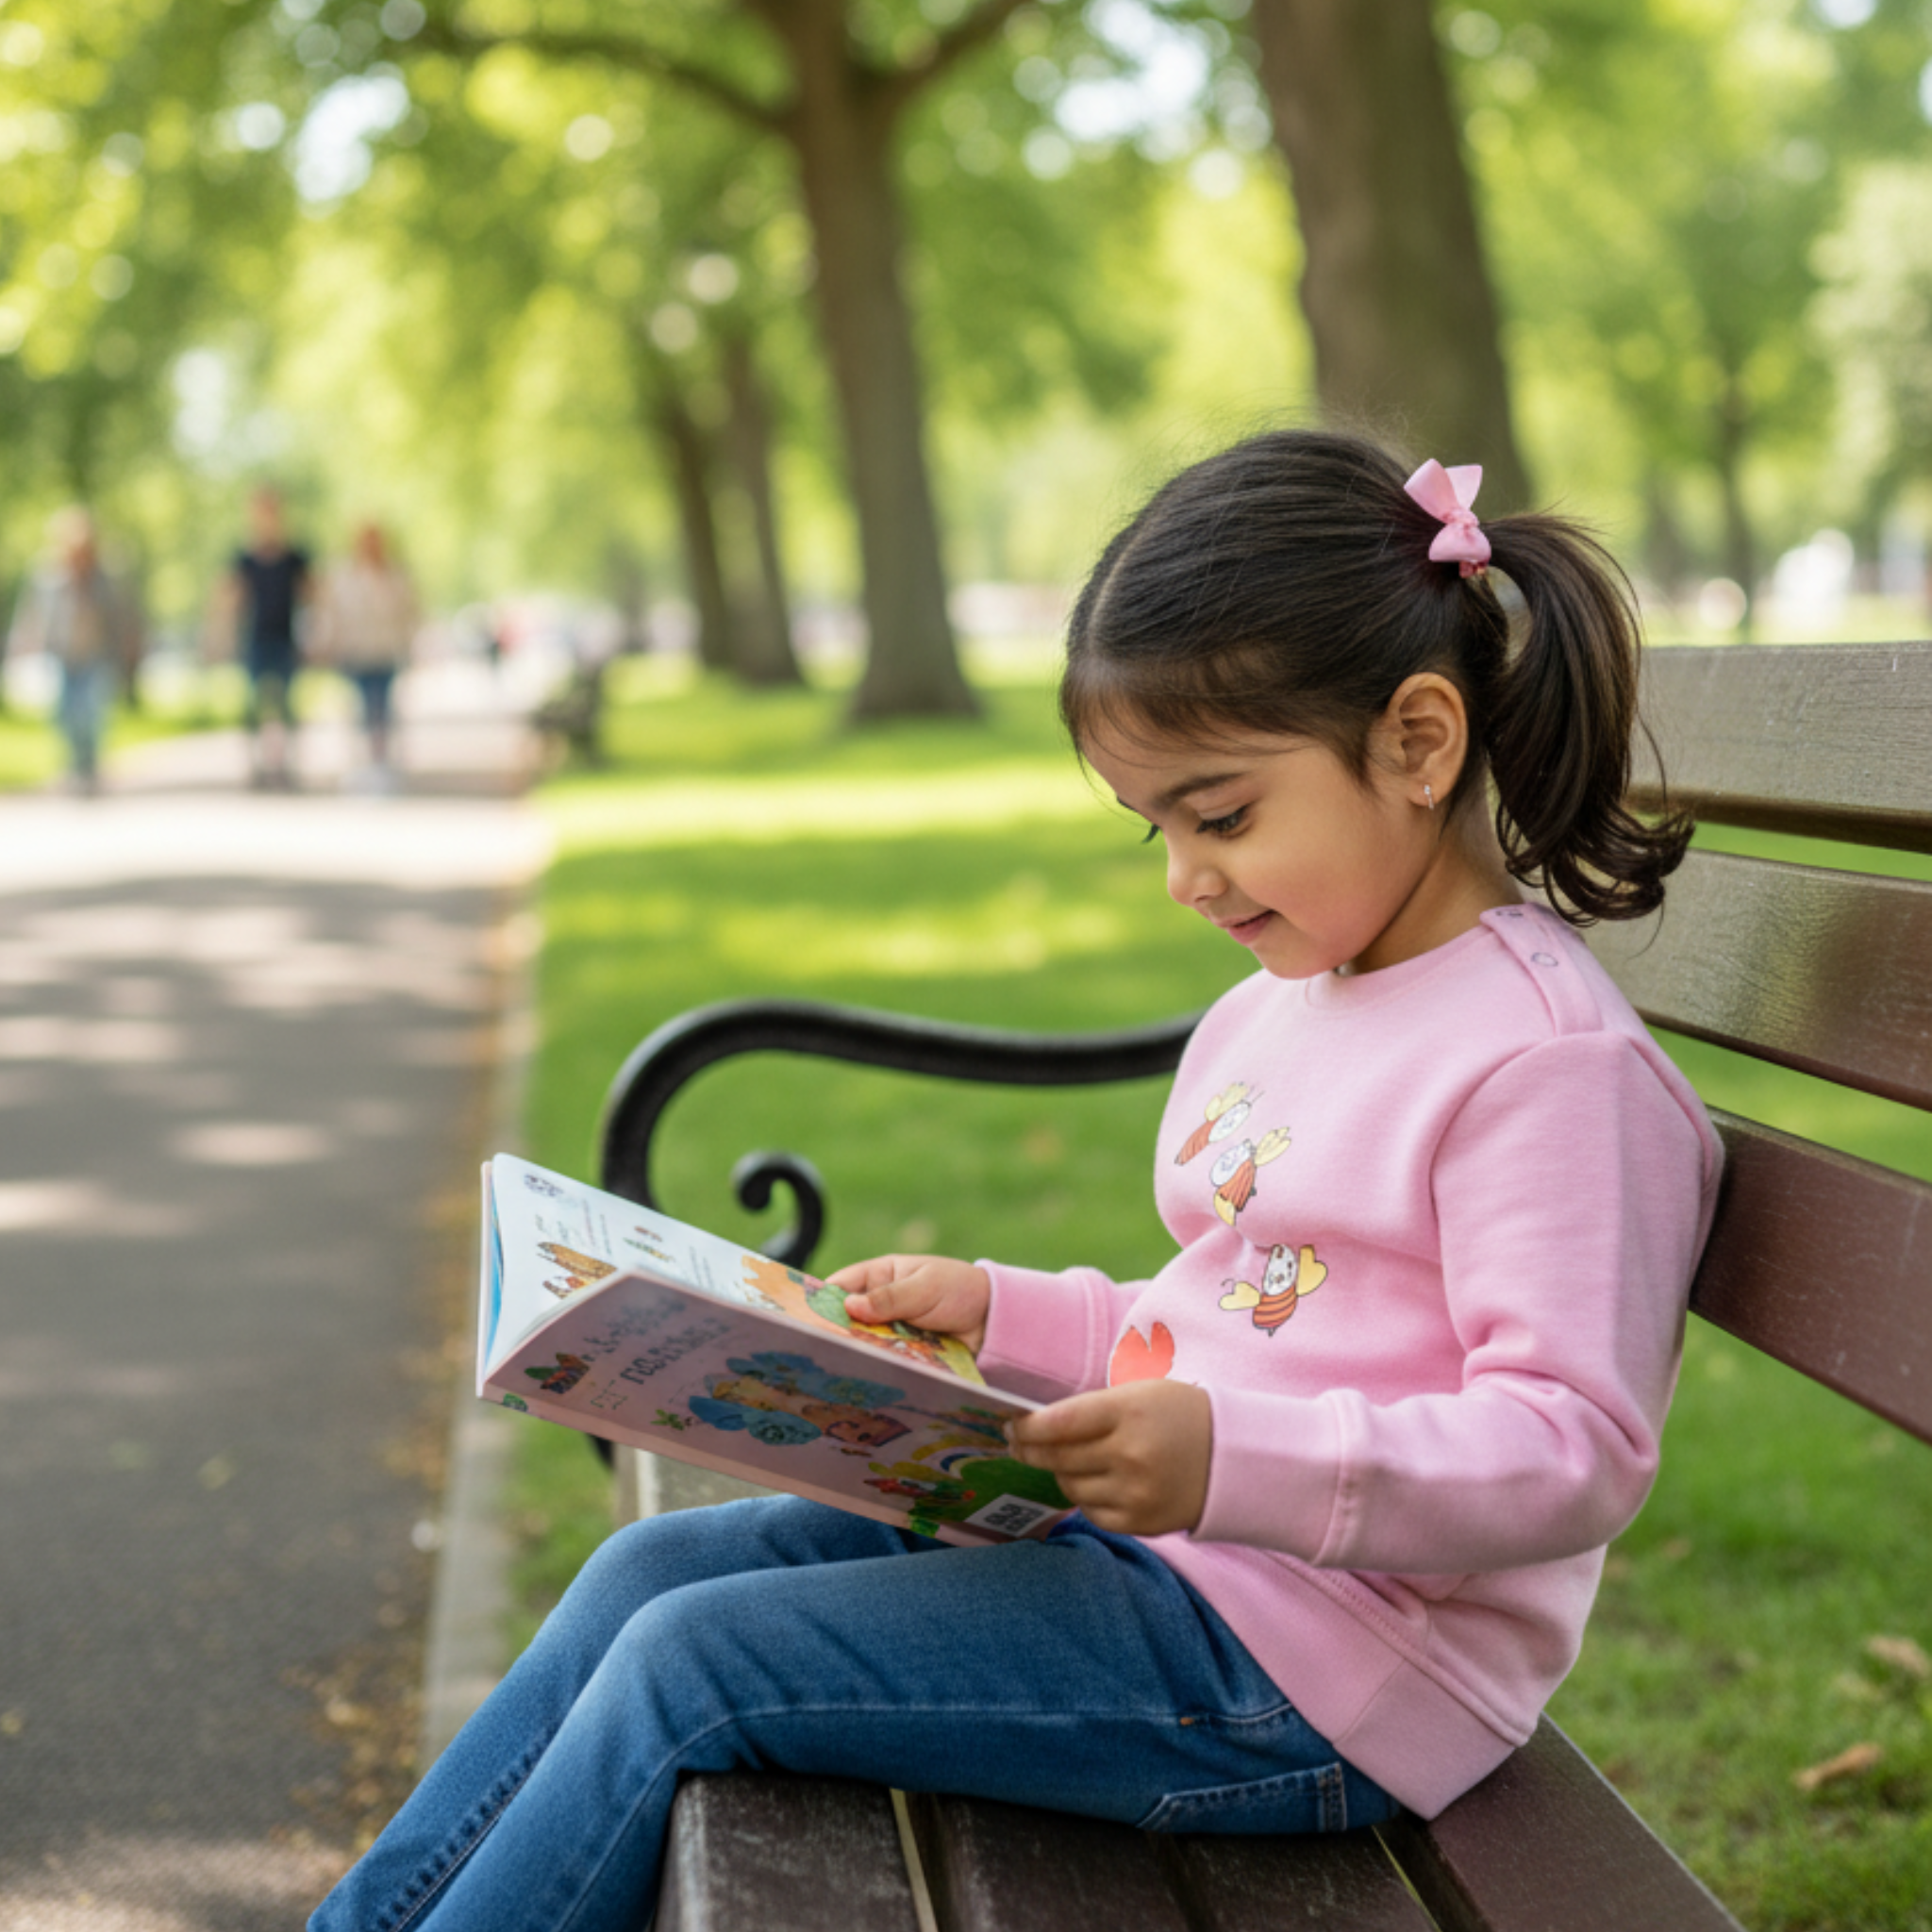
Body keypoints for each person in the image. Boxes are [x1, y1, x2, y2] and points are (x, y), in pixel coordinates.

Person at [310, 429, 1723, 1931]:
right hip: (1170, 1570)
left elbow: (1572, 1446)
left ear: (1420, 744)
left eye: (1222, 814)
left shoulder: (1544, 1066)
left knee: (693, 1671)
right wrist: (1004, 1314)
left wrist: (1230, 1467)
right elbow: (1225, 1327)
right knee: (652, 1574)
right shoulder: (1296, 994)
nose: (1187, 875)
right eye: (1156, 827)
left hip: (1317, 1681)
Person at [8, 507, 142, 792]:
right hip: (63, 654)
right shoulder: (48, 576)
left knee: (91, 713)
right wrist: (22, 643)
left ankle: (90, 769)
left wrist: (129, 646)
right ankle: (74, 768)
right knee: (66, 715)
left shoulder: (104, 578)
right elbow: (32, 613)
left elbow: (122, 615)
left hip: (97, 654)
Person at [220, 485, 311, 789]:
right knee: (253, 706)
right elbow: (231, 599)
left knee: (286, 706)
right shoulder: (244, 558)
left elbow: (312, 595)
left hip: (286, 639)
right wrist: (221, 634)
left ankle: (286, 766)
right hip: (255, 640)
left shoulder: (295, 556)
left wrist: (321, 634)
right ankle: (256, 767)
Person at [315, 520, 419, 788]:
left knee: (383, 709)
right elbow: (333, 614)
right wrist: (330, 643)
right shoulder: (345, 577)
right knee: (360, 709)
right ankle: (360, 766)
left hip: (385, 651)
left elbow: (410, 614)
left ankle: (383, 765)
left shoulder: (395, 576)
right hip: (355, 652)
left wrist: (410, 646)